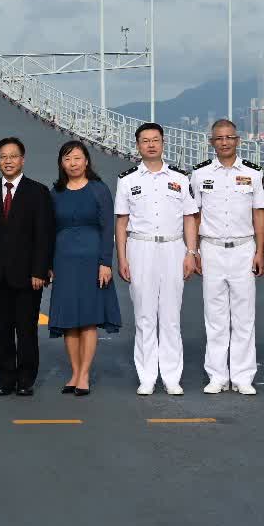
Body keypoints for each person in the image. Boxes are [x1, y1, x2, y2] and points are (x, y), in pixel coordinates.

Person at [114, 122, 200, 396]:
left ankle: (172, 377)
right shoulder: (127, 180)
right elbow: (121, 222)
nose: (151, 145)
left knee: (171, 316)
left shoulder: (180, 178)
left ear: (163, 143)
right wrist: (122, 258)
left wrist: (191, 252)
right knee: (144, 316)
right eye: (145, 140)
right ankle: (148, 376)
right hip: (140, 248)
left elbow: (190, 218)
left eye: (155, 140)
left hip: (173, 248)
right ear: (138, 145)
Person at [190, 120, 264, 395]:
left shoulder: (253, 173)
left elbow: (259, 213)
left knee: (244, 316)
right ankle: (217, 375)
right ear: (212, 142)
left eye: (229, 137)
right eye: (219, 138)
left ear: (238, 140)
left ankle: (243, 376)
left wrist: (260, 252)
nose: (224, 142)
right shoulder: (199, 174)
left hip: (244, 248)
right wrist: (194, 251)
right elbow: (194, 215)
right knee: (215, 316)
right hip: (211, 248)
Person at [0, 137, 53, 397]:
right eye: (3, 157)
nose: (8, 161)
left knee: (27, 329)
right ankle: (5, 378)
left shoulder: (38, 192)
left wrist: (40, 270)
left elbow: (44, 234)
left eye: (13, 156)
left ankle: (26, 379)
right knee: (1, 329)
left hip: (28, 276)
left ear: (23, 159)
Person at [47, 140, 120, 397]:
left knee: (89, 319)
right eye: (67, 159)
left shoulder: (99, 189)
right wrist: (49, 264)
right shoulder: (55, 192)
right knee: (69, 320)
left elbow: (108, 228)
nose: (73, 163)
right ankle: (75, 372)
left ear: (86, 160)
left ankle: (85, 374)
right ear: (61, 163)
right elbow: (49, 230)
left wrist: (105, 263)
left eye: (77, 158)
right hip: (63, 261)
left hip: (92, 261)